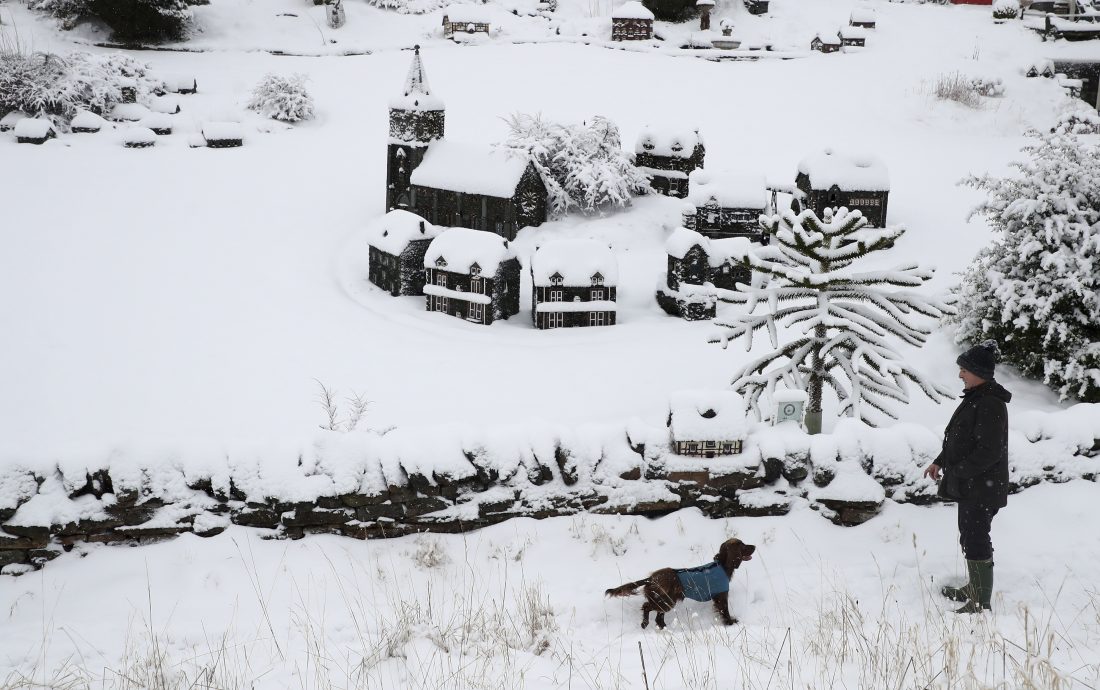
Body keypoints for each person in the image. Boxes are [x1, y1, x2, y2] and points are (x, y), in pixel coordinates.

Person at [923, 340, 1011, 614]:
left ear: (979, 373)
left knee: (976, 537)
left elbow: (989, 451)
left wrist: (957, 471)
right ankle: (975, 587)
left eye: (964, 370)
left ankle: (980, 600)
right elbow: (962, 440)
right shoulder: (977, 398)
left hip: (982, 488)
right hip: (974, 485)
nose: (960, 374)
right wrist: (941, 460)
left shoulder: (990, 404)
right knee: (970, 536)